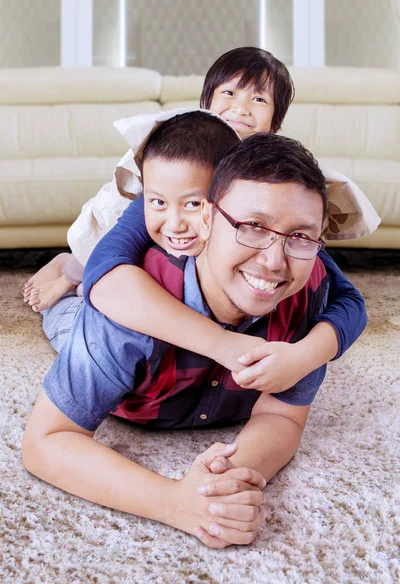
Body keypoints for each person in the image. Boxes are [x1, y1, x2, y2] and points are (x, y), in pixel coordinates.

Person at [23, 132, 348, 549]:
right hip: (115, 364)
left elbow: (282, 417)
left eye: (300, 237)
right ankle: (68, 274)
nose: (274, 261)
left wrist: (223, 483)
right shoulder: (130, 308)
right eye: (252, 227)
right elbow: (45, 442)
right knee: (66, 319)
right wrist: (175, 502)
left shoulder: (309, 292)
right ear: (208, 220)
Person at [22, 47, 379, 313]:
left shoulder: (268, 169)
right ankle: (67, 270)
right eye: (229, 93)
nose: (241, 107)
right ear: (206, 101)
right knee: (108, 251)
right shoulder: (192, 152)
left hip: (207, 249)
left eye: (258, 99)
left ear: (276, 120)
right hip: (147, 223)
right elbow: (134, 225)